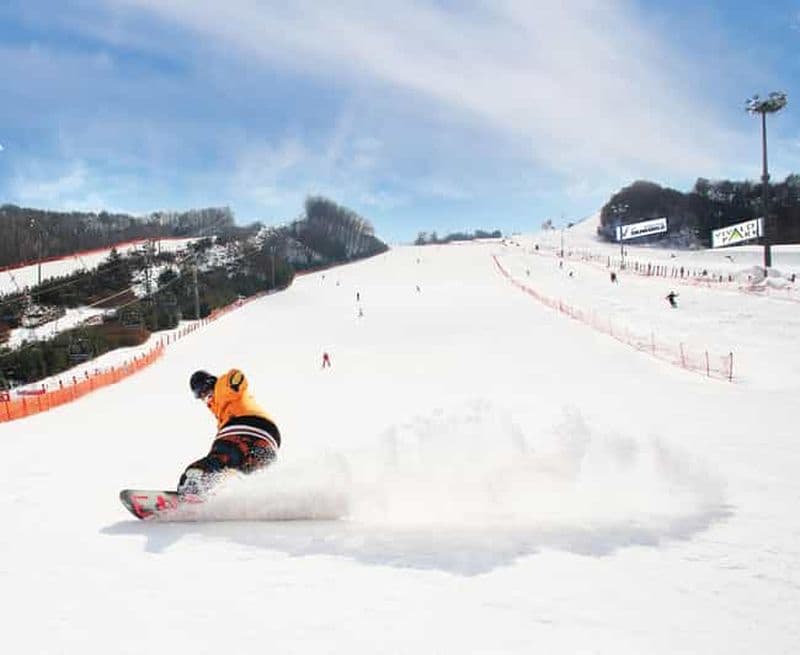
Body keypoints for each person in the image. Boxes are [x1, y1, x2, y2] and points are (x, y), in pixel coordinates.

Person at [178, 369, 281, 496]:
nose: (205, 396)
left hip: (246, 426)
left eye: (205, 390)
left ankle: (191, 489)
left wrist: (233, 381)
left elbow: (236, 378)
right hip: (269, 441)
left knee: (218, 458)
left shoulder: (221, 387)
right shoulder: (221, 412)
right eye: (200, 395)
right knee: (240, 475)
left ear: (211, 383)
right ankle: (234, 500)